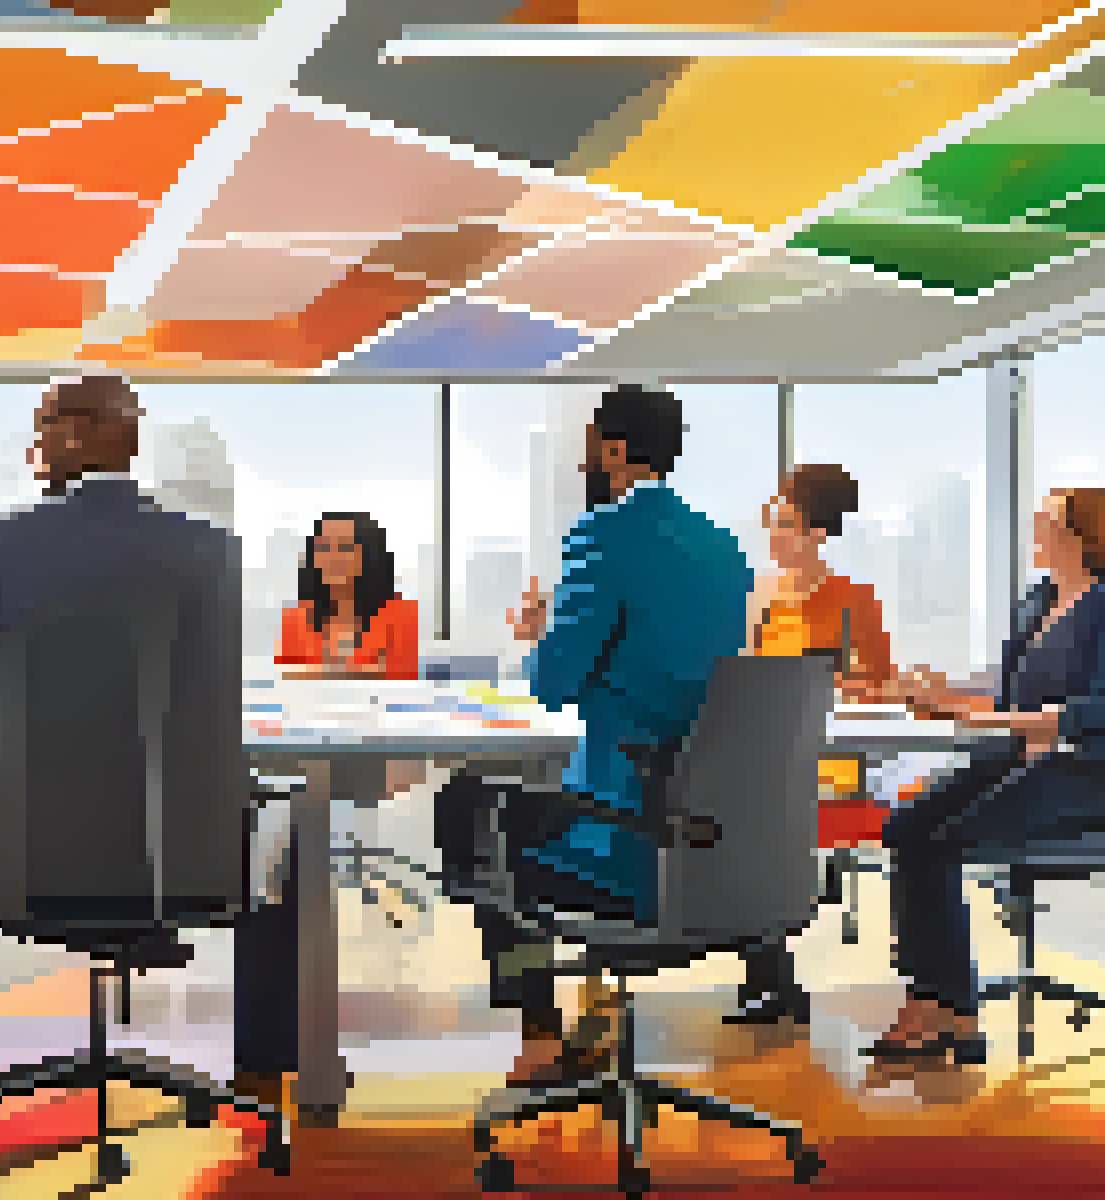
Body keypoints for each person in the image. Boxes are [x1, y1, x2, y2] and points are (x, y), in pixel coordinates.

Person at [0, 375, 267, 1094]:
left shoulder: (3, 546)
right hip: (185, 861)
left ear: (78, 433)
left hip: (32, 857)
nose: (36, 444)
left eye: (44, 426)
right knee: (292, 839)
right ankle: (267, 1068)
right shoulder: (209, 549)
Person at [430, 384, 752, 1088]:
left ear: (612, 449)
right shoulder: (725, 547)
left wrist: (537, 641)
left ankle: (540, 1033)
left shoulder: (602, 535)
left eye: (589, 444)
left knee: (470, 809)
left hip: (630, 844)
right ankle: (599, 1005)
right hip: (716, 843)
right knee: (539, 804)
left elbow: (553, 683)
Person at [869, 487, 1105, 1087]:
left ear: (1078, 534)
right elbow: (1005, 692)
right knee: (906, 827)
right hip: (1015, 756)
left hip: (1083, 774)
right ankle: (930, 997)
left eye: (1046, 521)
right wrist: (936, 694)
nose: (1035, 530)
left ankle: (951, 1012)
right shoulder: (1037, 601)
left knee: (942, 843)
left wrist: (995, 718)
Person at [728, 464, 898, 1027]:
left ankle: (770, 970)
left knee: (750, 824)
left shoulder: (853, 600)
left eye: (785, 524)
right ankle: (770, 970)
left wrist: (830, 685)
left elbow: (881, 687)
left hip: (826, 762)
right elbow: (736, 677)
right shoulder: (757, 597)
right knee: (730, 812)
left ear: (817, 532)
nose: (773, 534)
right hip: (764, 754)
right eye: (771, 522)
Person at [277, 513, 420, 681]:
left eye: (345, 547)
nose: (333, 558)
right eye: (324, 548)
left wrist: (319, 671)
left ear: (368, 553)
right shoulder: (296, 619)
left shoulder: (403, 614)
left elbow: (405, 675)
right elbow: (284, 677)